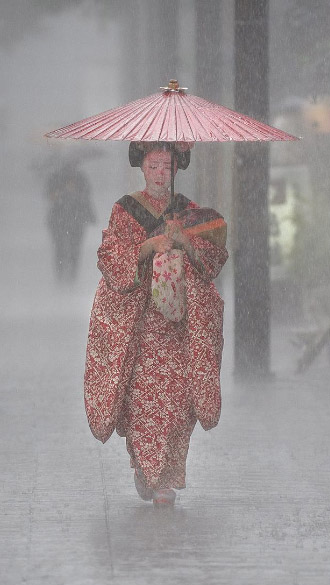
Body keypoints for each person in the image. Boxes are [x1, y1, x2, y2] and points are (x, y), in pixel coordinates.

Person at [83, 141, 228, 506]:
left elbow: (212, 261)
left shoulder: (191, 213)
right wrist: (150, 247)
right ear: (143, 168)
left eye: (167, 165)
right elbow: (112, 258)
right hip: (141, 324)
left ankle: (165, 476)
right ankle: (148, 471)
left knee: (178, 400)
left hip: (179, 323)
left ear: (177, 168)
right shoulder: (125, 210)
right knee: (145, 400)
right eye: (154, 165)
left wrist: (185, 243)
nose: (161, 173)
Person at [45, 161, 95, 283]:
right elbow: (49, 196)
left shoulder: (79, 179)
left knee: (72, 247)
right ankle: (63, 273)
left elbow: (86, 195)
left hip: (72, 218)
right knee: (62, 247)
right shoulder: (57, 178)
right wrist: (63, 192)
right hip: (65, 218)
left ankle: (69, 273)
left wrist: (75, 194)